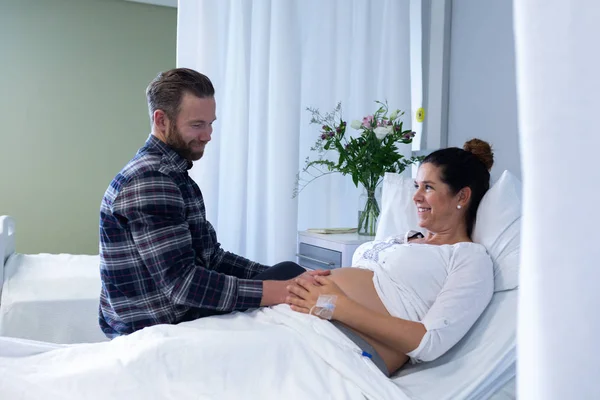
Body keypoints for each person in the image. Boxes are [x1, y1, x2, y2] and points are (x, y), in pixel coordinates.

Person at [98, 68, 325, 338]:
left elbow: (211, 257)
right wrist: (284, 289)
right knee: (296, 288)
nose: (208, 135)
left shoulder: (172, 174)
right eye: (197, 125)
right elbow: (183, 285)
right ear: (161, 120)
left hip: (175, 309)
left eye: (210, 123)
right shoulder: (151, 180)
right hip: (162, 321)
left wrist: (277, 278)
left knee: (288, 272)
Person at [286, 139, 496, 376]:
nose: (415, 196)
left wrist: (334, 304)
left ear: (462, 197)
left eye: (428, 187)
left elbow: (430, 342)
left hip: (344, 346)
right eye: (417, 185)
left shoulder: (470, 258)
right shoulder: (404, 238)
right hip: (310, 321)